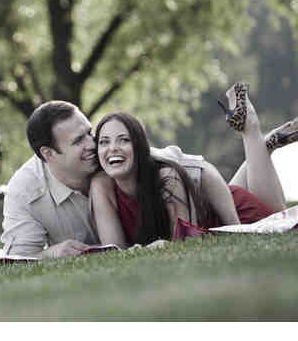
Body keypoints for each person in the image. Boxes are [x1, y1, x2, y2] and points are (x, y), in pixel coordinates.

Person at [90, 83, 297, 248]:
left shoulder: (166, 176)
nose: (112, 148)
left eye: (123, 140)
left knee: (279, 218)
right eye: (104, 142)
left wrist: (236, 225)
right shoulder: (102, 184)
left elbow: (185, 242)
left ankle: (253, 131)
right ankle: (265, 144)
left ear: (140, 147)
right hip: (215, 205)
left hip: (236, 214)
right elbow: (116, 249)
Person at [0, 100, 210, 258]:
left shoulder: (110, 157)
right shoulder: (25, 191)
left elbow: (186, 167)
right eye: (78, 141)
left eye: (89, 133)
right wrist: (51, 253)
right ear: (48, 154)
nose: (93, 144)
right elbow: (17, 260)